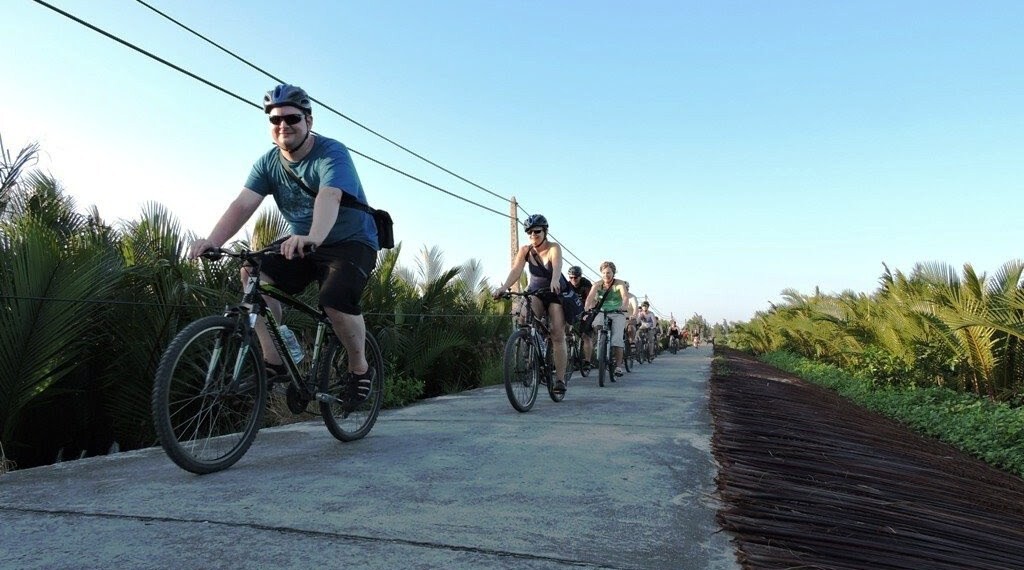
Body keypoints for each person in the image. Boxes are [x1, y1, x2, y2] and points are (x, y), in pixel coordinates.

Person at [188, 83, 379, 408]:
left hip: (351, 241)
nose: (283, 126)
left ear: (309, 121)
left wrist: (313, 237)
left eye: (291, 119)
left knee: (334, 300)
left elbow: (329, 196)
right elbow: (243, 205)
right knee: (251, 273)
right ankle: (275, 360)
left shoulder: (333, 153)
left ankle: (359, 368)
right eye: (275, 120)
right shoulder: (267, 164)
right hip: (303, 242)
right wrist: (213, 241)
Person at [493, 214, 569, 394]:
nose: (533, 235)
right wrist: (504, 287)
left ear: (545, 231)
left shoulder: (553, 248)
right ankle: (532, 347)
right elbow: (516, 271)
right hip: (535, 291)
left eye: (537, 232)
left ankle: (559, 380)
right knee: (524, 317)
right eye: (530, 233)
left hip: (554, 292)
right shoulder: (525, 250)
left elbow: (557, 266)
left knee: (558, 334)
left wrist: (555, 280)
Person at [584, 261, 630, 377]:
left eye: (608, 273)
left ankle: (619, 367)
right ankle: (600, 343)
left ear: (613, 273)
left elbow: (624, 296)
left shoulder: (619, 284)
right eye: (604, 273)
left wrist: (623, 307)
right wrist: (586, 309)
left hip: (617, 312)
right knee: (597, 325)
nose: (606, 275)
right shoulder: (597, 284)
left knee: (617, 338)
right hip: (601, 311)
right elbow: (589, 298)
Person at [567, 266, 595, 362]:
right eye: (571, 277)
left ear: (580, 276)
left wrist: (588, 312)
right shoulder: (567, 285)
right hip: (573, 310)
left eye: (575, 277)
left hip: (585, 310)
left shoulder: (586, 284)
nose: (573, 280)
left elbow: (590, 299)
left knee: (585, 336)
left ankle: (587, 361)